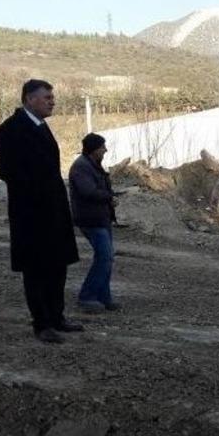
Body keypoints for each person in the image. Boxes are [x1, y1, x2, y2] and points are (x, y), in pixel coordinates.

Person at [0, 79, 82, 344]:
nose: (52, 101)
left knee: (57, 267)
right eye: (47, 97)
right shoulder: (10, 130)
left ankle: (57, 317)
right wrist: (37, 193)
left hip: (54, 211)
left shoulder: (42, 127)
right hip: (31, 214)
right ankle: (42, 324)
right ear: (29, 99)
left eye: (52, 97)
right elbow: (6, 171)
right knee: (36, 270)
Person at [68, 133, 120, 313]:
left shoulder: (92, 165)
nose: (105, 150)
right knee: (105, 257)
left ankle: (103, 296)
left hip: (101, 217)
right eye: (102, 147)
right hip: (91, 220)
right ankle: (87, 296)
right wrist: (109, 197)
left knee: (106, 258)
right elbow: (88, 192)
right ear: (94, 149)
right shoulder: (81, 167)